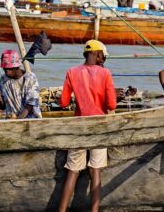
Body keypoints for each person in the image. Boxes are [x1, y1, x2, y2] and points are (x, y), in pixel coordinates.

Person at [58, 40, 117, 212]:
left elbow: (63, 102)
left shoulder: (72, 72)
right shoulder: (105, 74)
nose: (103, 60)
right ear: (97, 54)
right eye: (103, 56)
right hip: (99, 125)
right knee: (95, 170)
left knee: (73, 171)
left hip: (79, 126)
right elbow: (111, 105)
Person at [0, 50, 42, 119]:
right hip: (11, 118)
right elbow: (3, 107)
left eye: (8, 69)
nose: (6, 72)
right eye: (4, 69)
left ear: (16, 67)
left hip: (30, 119)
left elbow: (30, 104)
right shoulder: (4, 79)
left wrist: (18, 120)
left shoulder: (30, 78)